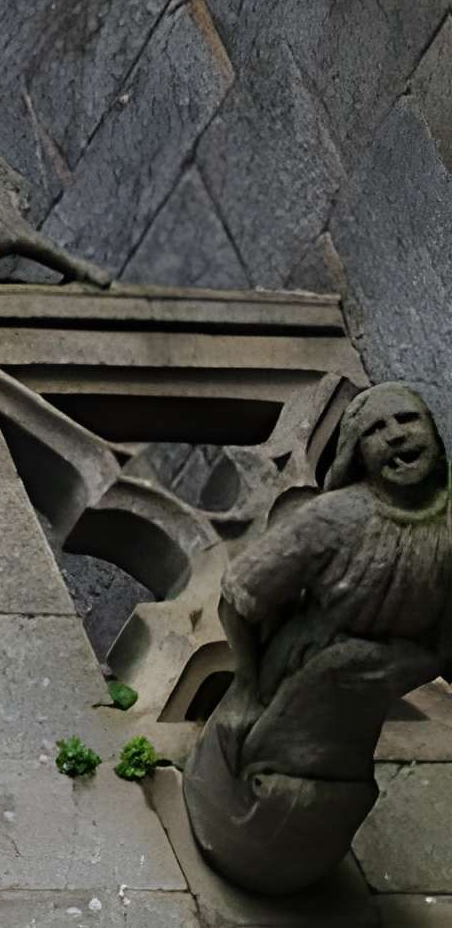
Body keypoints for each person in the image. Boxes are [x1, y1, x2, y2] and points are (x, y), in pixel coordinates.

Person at [187, 382, 452, 895]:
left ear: (436, 436)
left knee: (333, 790)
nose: (395, 436)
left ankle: (290, 864)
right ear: (359, 455)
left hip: (371, 687)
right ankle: (238, 842)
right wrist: (245, 684)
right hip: (299, 672)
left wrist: (389, 666)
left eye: (406, 420)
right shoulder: (339, 517)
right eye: (375, 430)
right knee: (267, 774)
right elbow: (240, 595)